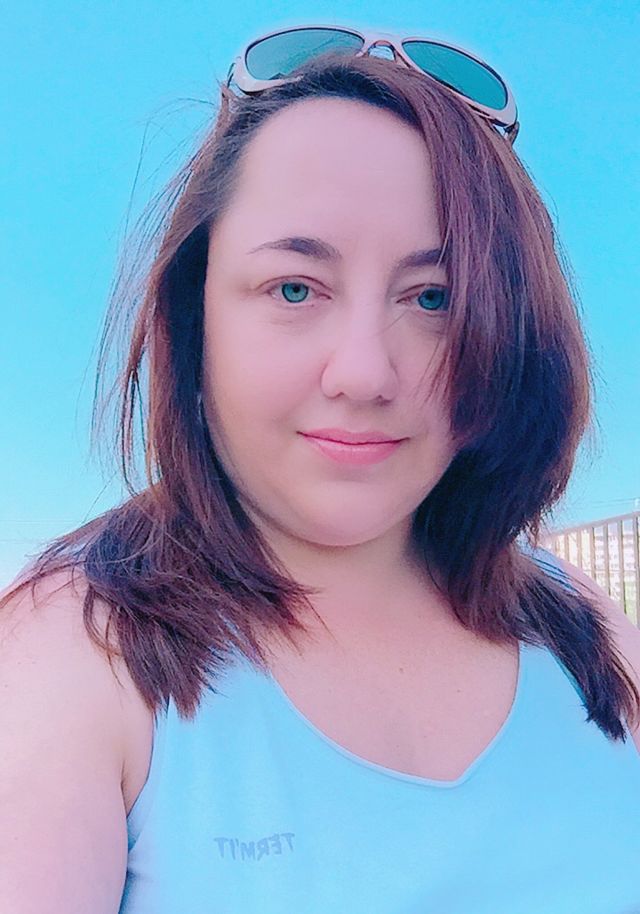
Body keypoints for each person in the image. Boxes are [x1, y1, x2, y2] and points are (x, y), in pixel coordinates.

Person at [2, 24, 640, 914]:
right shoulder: (75, 656)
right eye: (295, 289)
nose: (365, 373)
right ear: (196, 314)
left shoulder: (584, 633)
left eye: (434, 299)